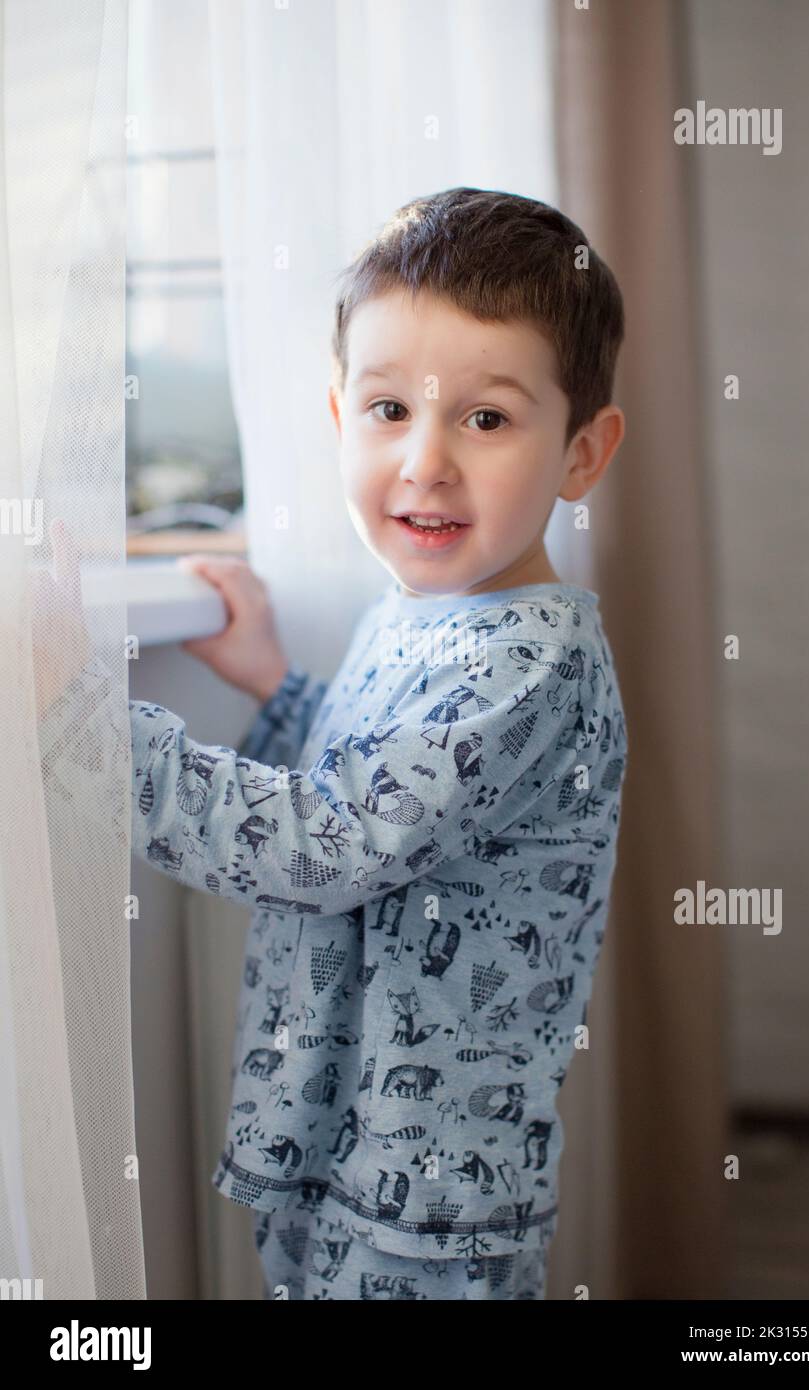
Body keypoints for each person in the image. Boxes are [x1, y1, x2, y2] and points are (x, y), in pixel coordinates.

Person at [47, 187, 629, 1300]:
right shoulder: (419, 609)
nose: (423, 462)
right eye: (386, 410)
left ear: (581, 452)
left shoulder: (528, 663)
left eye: (486, 418)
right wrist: (275, 686)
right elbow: (381, 791)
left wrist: (74, 717)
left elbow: (333, 841)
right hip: (342, 1147)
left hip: (426, 1199)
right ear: (336, 416)